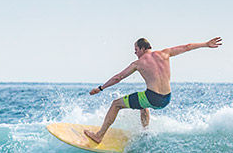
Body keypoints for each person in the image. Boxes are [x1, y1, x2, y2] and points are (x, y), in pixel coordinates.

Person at [84, 36, 222, 143]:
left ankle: (99, 135)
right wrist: (206, 44)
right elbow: (187, 47)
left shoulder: (138, 63)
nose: (135, 52)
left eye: (136, 49)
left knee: (116, 104)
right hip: (167, 98)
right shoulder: (165, 53)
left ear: (143, 48)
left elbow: (118, 77)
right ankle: (145, 132)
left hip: (152, 97)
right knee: (143, 105)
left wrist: (101, 88)